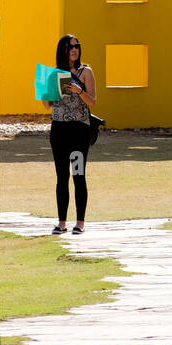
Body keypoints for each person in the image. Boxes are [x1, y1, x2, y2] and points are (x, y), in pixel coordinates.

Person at [48, 33, 96, 235]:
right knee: (61, 176)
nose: (74, 49)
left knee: (78, 175)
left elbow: (92, 101)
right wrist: (48, 92)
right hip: (58, 131)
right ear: (63, 51)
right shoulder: (54, 74)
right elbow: (47, 104)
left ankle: (80, 223)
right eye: (70, 47)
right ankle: (61, 223)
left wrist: (79, 91)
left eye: (76, 46)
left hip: (78, 131)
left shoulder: (86, 72)